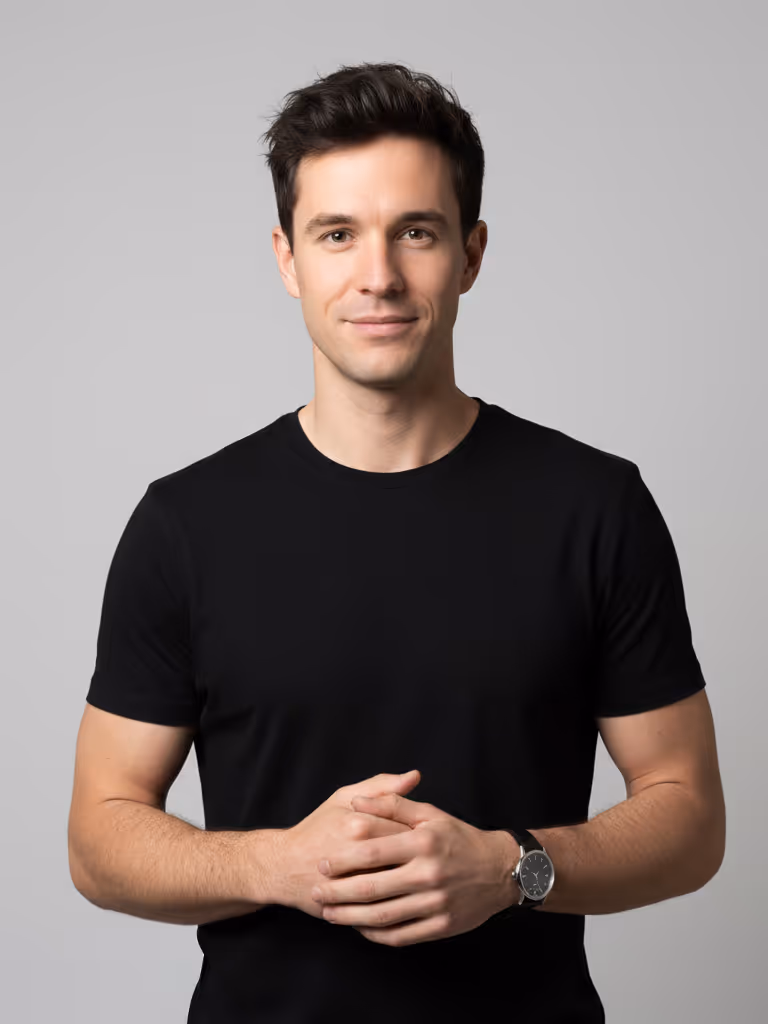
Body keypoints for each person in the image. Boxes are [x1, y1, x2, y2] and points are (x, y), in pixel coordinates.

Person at [68, 62, 725, 1023]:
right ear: (289, 259)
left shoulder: (595, 506)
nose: (377, 275)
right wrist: (278, 862)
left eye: (415, 232)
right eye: (338, 235)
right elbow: (98, 839)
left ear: (471, 254)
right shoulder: (185, 524)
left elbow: (691, 817)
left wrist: (514, 867)